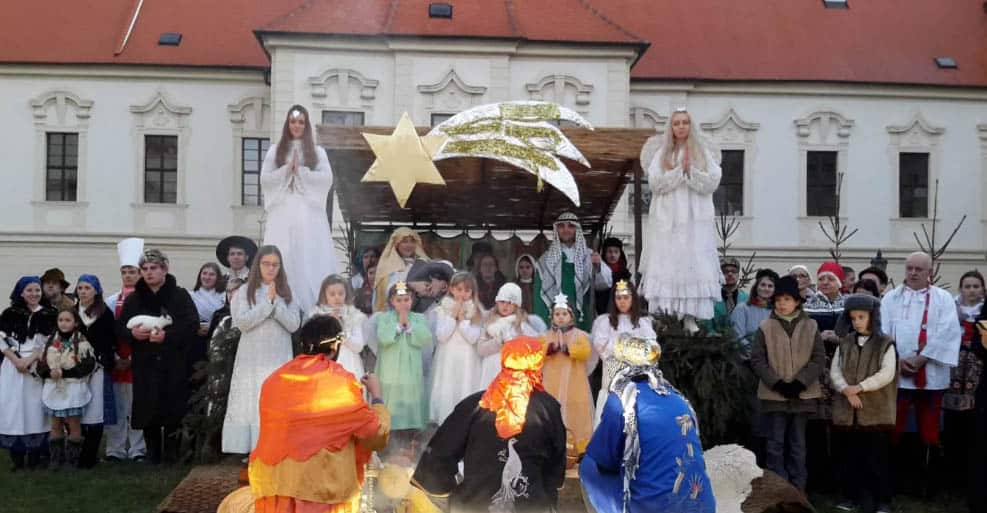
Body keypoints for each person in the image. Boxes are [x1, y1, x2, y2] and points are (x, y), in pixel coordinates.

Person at [216, 315, 390, 513]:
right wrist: (377, 397)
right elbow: (375, 435)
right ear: (335, 347)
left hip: (276, 485)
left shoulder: (274, 380)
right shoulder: (341, 384)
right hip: (322, 490)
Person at [412, 336, 567, 513]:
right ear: (537, 366)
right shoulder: (549, 408)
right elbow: (556, 466)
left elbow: (438, 456)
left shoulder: (474, 405)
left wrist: (452, 497)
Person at [580, 335, 715, 513]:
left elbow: (603, 463)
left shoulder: (623, 400)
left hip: (653, 507)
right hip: (701, 506)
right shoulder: (677, 398)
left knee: (588, 465)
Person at [881, 252, 961, 494]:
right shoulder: (891, 298)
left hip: (931, 375)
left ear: (930, 272)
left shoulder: (943, 298)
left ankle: (927, 485)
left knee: (929, 430)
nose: (913, 273)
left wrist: (922, 358)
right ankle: (894, 481)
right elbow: (883, 331)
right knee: (895, 428)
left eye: (919, 269)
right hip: (899, 374)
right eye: (909, 268)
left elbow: (948, 330)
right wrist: (898, 359)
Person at [639, 108, 721, 333]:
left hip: (695, 220)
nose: (681, 127)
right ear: (671, 127)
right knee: (668, 261)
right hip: (668, 220)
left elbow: (713, 181)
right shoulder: (663, 153)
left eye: (685, 122)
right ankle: (666, 315)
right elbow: (655, 183)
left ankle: (690, 316)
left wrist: (692, 171)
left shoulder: (702, 152)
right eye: (677, 123)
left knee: (692, 261)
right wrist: (677, 172)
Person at [119, 249, 198, 465]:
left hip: (173, 362)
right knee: (148, 408)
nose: (148, 273)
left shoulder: (179, 296)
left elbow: (191, 324)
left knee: (172, 408)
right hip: (145, 362)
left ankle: (171, 455)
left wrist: (167, 336)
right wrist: (132, 334)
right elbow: (121, 328)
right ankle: (152, 455)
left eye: (153, 268)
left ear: (165, 269)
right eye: (144, 269)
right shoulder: (135, 298)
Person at [222, 245, 301, 455]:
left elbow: (293, 324)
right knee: (252, 399)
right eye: (266, 264)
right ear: (258, 265)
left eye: (275, 264)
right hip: (252, 357)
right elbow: (243, 323)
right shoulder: (244, 292)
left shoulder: (288, 293)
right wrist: (267, 303)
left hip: (278, 356)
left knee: (275, 399)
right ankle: (250, 449)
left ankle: (275, 448)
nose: (271, 268)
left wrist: (277, 304)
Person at [749, 275, 826, 491]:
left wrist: (801, 382)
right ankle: (777, 490)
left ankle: (797, 490)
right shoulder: (766, 326)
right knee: (775, 444)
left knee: (798, 445)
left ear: (797, 301)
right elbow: (758, 359)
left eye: (787, 299)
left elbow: (818, 358)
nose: (782, 304)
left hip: (803, 395)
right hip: (775, 395)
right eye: (778, 300)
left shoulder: (811, 325)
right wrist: (777, 383)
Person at [260, 105, 336, 314]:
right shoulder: (275, 150)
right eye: (293, 121)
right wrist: (286, 171)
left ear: (306, 124)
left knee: (309, 254)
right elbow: (265, 179)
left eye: (301, 122)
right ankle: (280, 302)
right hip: (283, 211)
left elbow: (326, 179)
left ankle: (313, 306)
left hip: (308, 212)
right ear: (287, 123)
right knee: (284, 252)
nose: (297, 125)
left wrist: (301, 172)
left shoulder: (318, 152)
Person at [830, 294, 897, 513]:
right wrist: (846, 390)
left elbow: (886, 374)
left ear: (873, 317)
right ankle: (851, 497)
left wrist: (860, 388)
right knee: (850, 457)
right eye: (853, 317)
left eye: (861, 317)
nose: (857, 321)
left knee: (877, 459)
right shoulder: (846, 342)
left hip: (876, 412)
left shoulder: (885, 344)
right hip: (848, 413)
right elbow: (835, 371)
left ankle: (882, 500)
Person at [0, 276, 57, 470]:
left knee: (35, 411)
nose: (34, 294)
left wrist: (29, 360)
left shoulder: (50, 313)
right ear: (21, 292)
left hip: (36, 366)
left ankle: (34, 458)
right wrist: (16, 361)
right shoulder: (9, 313)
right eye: (29, 290)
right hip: (12, 368)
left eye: (37, 290)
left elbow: (49, 342)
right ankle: (17, 459)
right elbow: (2, 340)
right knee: (14, 409)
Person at [36, 308, 97, 470]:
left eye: (68, 320)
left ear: (75, 323)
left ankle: (72, 461)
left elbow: (88, 365)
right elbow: (40, 366)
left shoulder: (82, 342)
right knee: (55, 425)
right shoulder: (50, 342)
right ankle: (56, 460)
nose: (63, 323)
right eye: (61, 320)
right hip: (54, 388)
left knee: (73, 424)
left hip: (73, 388)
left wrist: (65, 372)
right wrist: (49, 372)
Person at [942, 271, 985, 498]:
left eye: (976, 286)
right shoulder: (951, 310)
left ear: (982, 289)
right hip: (953, 370)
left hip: (977, 372)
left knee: (973, 426)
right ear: (961, 289)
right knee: (951, 425)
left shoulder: (985, 313)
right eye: (967, 286)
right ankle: (949, 478)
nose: (971, 290)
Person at [591, 280, 656, 426]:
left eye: (626, 298)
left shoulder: (642, 323)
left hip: (636, 378)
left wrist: (633, 351)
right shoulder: (605, 322)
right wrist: (622, 348)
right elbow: (601, 346)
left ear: (633, 299)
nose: (622, 302)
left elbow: (650, 349)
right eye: (618, 298)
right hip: (612, 378)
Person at [104, 237, 146, 462]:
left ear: (140, 274)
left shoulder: (146, 300)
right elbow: (108, 332)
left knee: (137, 407)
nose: (128, 275)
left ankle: (138, 449)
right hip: (117, 361)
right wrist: (116, 356)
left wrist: (131, 356)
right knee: (118, 408)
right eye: (125, 272)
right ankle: (115, 449)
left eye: (132, 271)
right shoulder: (111, 301)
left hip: (138, 360)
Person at [534, 212, 611, 332]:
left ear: (577, 229)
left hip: (582, 314)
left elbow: (605, 284)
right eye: (561, 226)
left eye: (570, 226)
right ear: (557, 230)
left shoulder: (588, 255)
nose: (566, 230)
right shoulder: (546, 259)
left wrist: (598, 266)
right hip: (556, 315)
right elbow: (540, 295)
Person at [541, 292, 595, 462]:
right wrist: (549, 350)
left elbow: (586, 352)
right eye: (557, 314)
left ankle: (579, 447)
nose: (561, 318)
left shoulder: (580, 336)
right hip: (552, 382)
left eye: (564, 314)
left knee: (576, 411)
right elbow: (538, 353)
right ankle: (550, 445)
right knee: (551, 410)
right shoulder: (545, 336)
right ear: (552, 316)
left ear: (571, 316)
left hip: (574, 382)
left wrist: (570, 350)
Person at [374, 281, 430, 435]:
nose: (403, 304)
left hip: (410, 370)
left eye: (407, 300)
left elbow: (425, 338)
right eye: (399, 300)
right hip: (390, 369)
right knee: (390, 399)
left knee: (411, 398)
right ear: (392, 302)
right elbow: (383, 338)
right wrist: (398, 326)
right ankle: (388, 431)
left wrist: (410, 327)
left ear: (412, 300)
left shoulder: (419, 318)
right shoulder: (384, 318)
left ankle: (411, 433)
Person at [429, 272, 483, 425]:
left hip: (467, 358)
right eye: (459, 289)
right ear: (451, 289)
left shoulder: (476, 311)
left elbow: (473, 338)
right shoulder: (443, 310)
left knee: (465, 386)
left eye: (467, 290)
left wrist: (463, 320)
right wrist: (453, 316)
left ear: (472, 292)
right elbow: (442, 335)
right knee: (448, 386)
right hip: (448, 357)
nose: (462, 294)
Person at [74, 274, 117, 468]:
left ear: (96, 291)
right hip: (75, 369)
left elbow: (111, 339)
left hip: (98, 368)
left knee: (96, 410)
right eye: (80, 288)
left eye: (87, 288)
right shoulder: (72, 313)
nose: (83, 291)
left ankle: (91, 455)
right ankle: (78, 453)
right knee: (78, 410)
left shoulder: (105, 313)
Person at [478, 283, 541, 389]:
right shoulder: (490, 323)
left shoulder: (521, 326)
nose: (505, 306)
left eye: (510, 303)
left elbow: (533, 346)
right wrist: (499, 342)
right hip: (491, 369)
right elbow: (481, 349)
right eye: (502, 302)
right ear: (497, 302)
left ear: (516, 305)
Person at [309, 274, 368, 380]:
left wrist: (341, 330)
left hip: (350, 366)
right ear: (324, 295)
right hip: (326, 367)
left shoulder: (353, 315)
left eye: (341, 293)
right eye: (332, 294)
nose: (337, 297)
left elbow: (359, 346)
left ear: (346, 294)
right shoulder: (317, 316)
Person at [374, 227, 429, 312]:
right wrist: (411, 285)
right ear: (397, 244)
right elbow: (388, 291)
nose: (409, 245)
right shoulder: (387, 266)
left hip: (420, 313)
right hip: (394, 314)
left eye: (412, 241)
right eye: (404, 241)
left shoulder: (423, 263)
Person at [731, 269, 779, 351]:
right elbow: (738, 337)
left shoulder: (778, 311)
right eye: (763, 285)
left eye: (770, 286)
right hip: (748, 358)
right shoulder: (742, 309)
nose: (766, 289)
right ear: (756, 287)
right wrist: (758, 355)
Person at [191, 262, 226, 367]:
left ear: (218, 277)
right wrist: (196, 327)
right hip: (196, 339)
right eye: (204, 273)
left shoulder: (224, 297)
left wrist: (211, 326)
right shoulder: (190, 296)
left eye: (211, 274)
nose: (207, 277)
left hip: (218, 339)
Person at [595, 237, 632, 315]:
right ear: (604, 253)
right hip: (602, 313)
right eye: (609, 251)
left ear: (620, 253)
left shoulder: (625, 274)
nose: (613, 255)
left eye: (616, 252)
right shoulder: (598, 271)